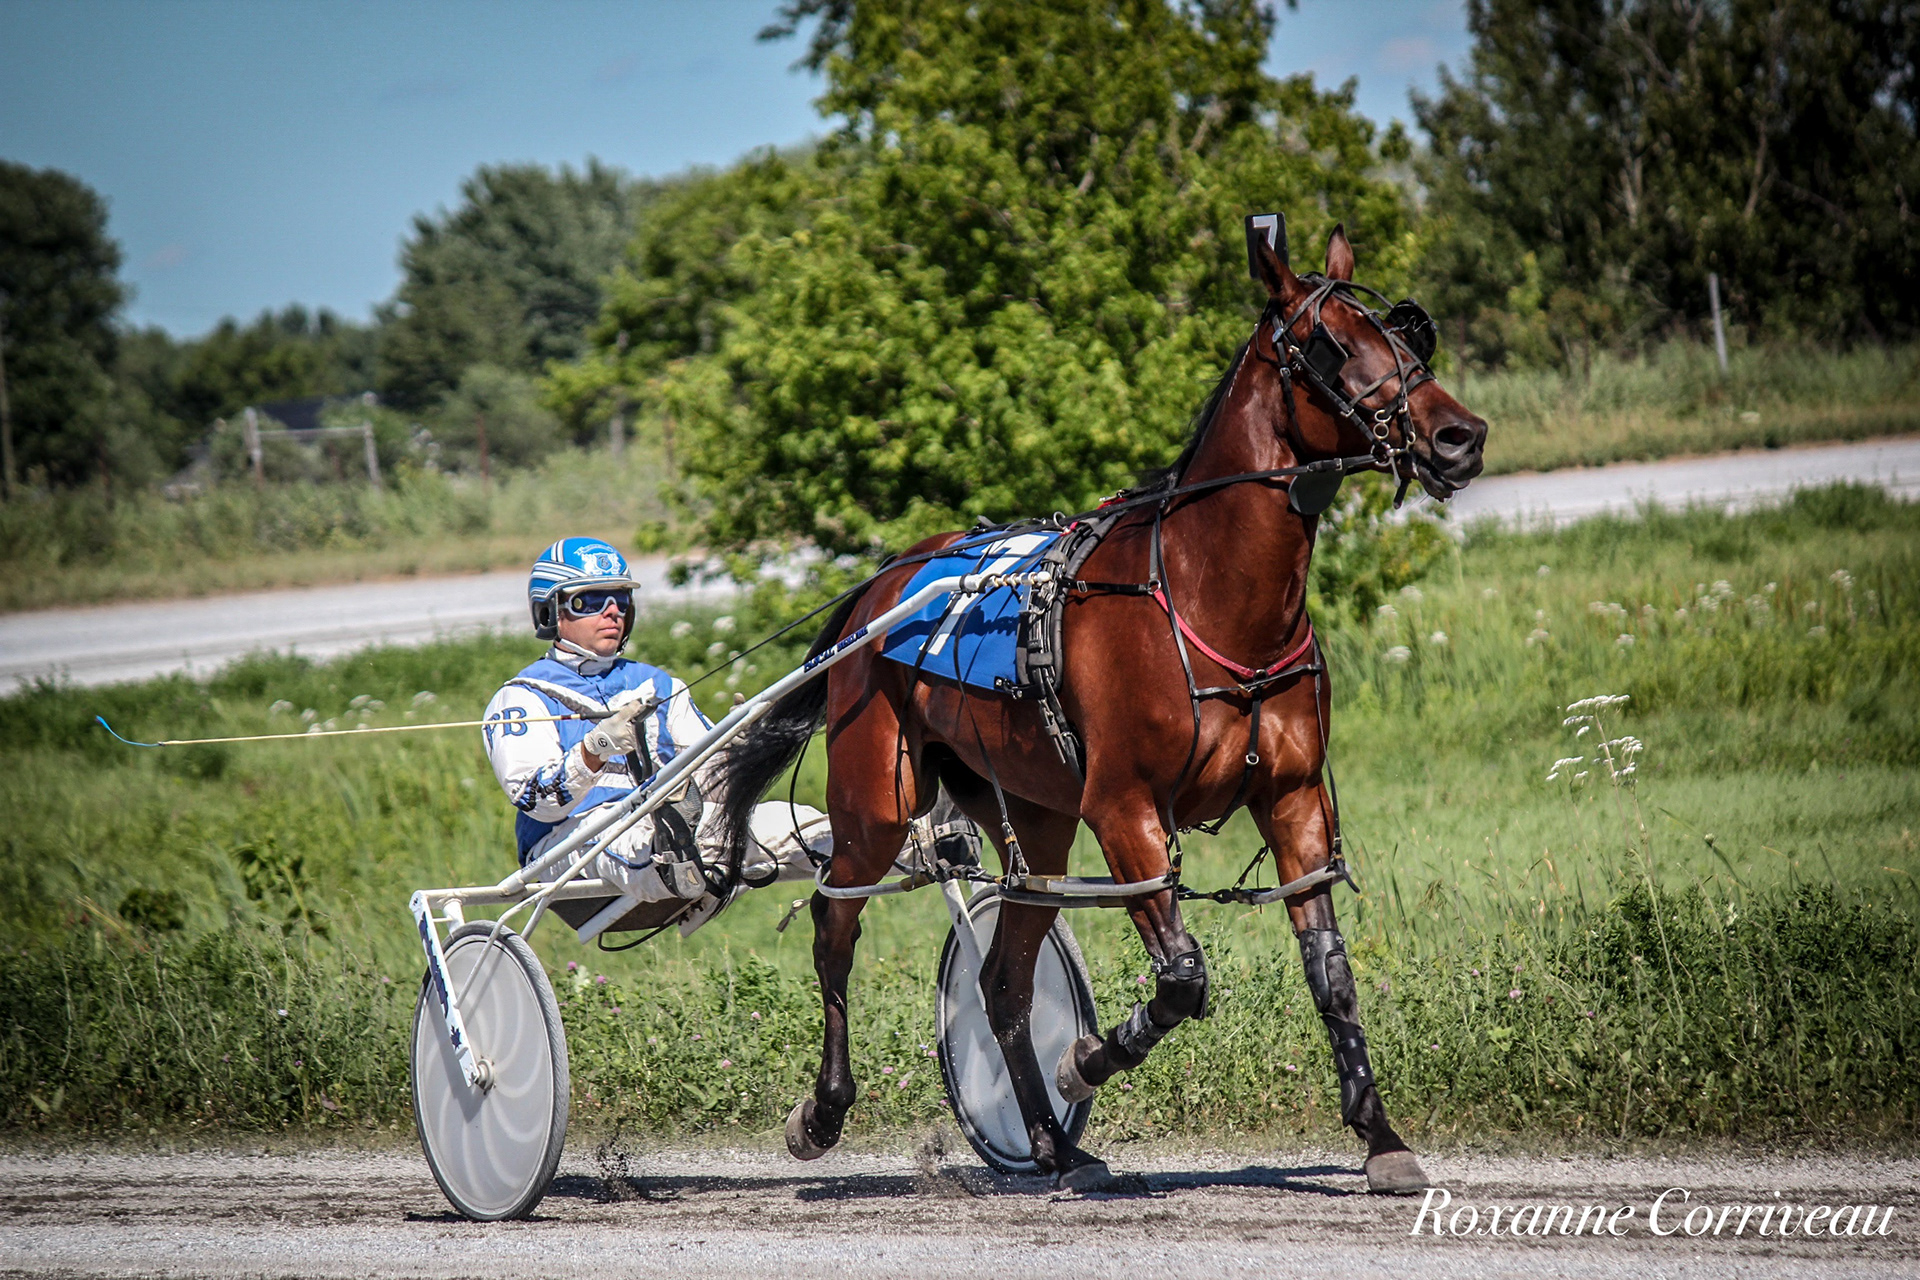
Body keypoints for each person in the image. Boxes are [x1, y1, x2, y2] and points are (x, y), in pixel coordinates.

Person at [482, 537, 829, 929]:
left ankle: (907, 840)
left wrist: (739, 749)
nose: (612, 612)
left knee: (806, 827)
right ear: (549, 612)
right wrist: (594, 751)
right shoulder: (521, 697)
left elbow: (707, 778)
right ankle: (683, 857)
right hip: (569, 841)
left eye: (621, 600)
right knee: (656, 838)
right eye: (590, 601)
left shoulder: (659, 684)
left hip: (670, 823)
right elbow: (536, 802)